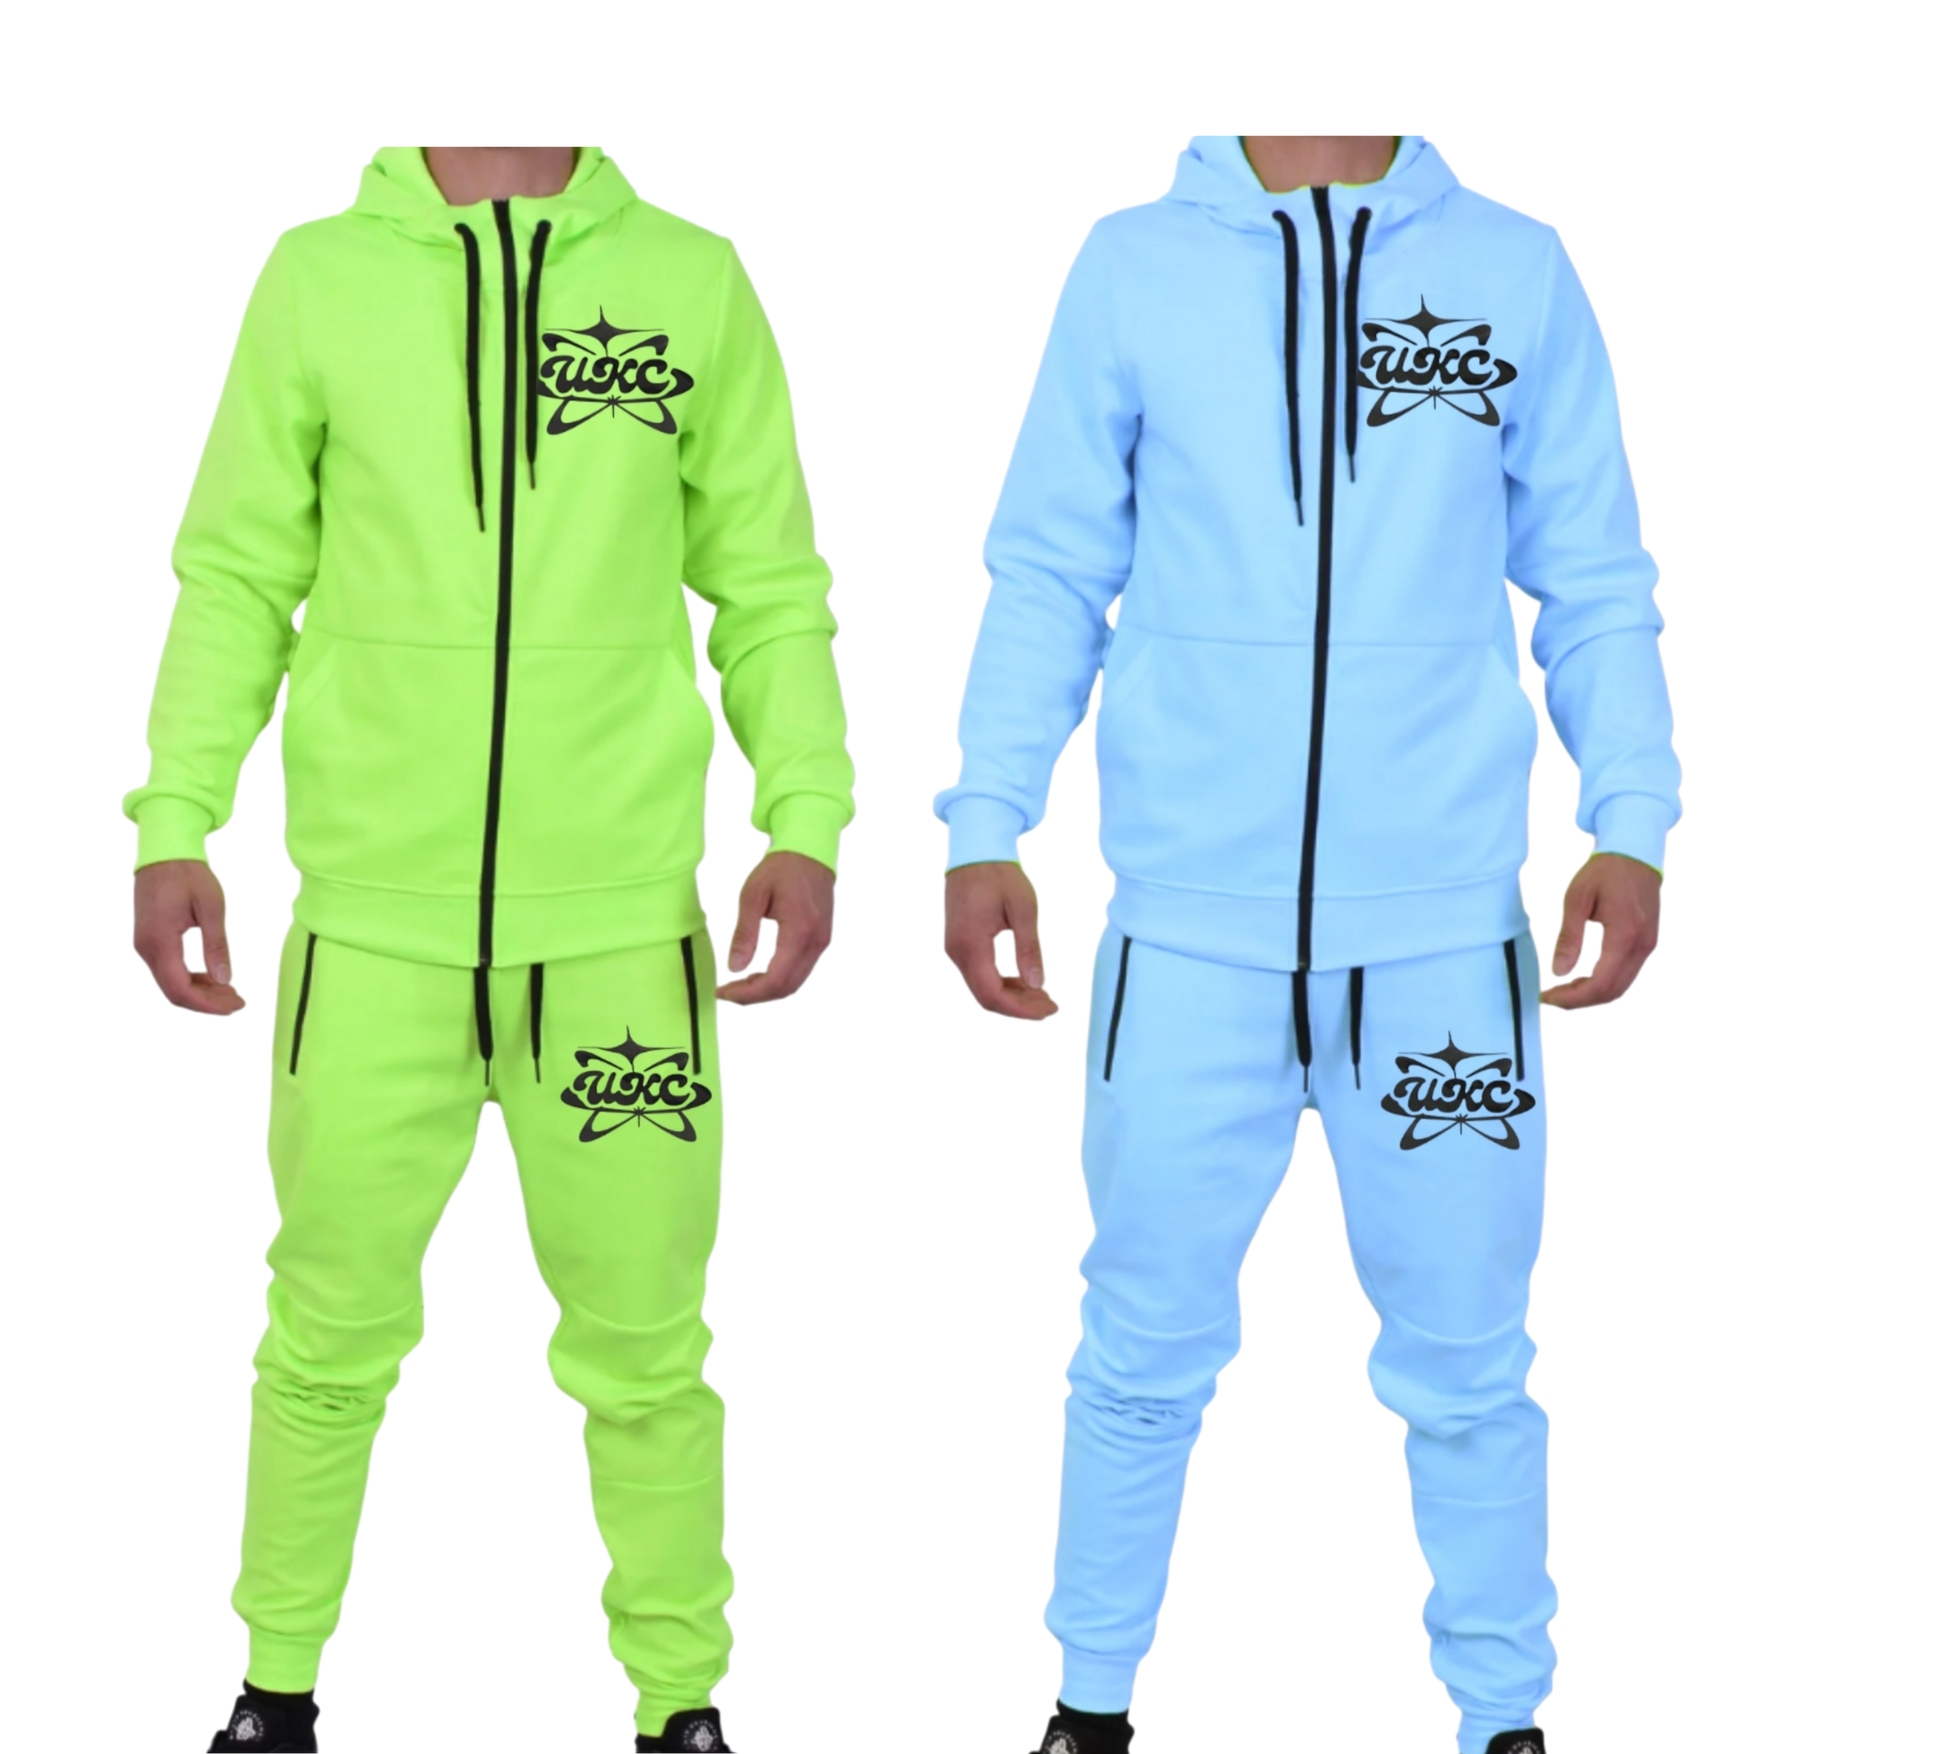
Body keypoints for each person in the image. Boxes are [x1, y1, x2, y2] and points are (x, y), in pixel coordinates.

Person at [124, 136, 1677, 1754]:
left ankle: (1493, 1717)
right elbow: (1049, 568)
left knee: (1464, 1357)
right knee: (334, 1330)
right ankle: (282, 1688)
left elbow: (1587, 574)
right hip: (402, 930)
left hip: (1422, 937)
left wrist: (1628, 813)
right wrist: (176, 813)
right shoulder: (1127, 263)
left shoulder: (1512, 267)